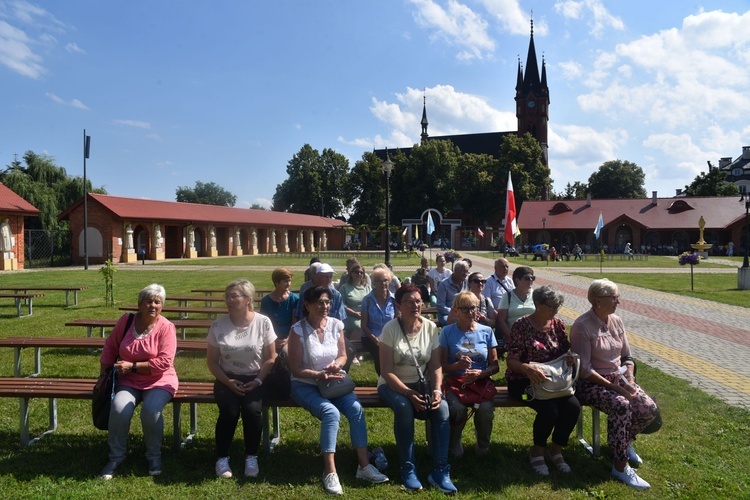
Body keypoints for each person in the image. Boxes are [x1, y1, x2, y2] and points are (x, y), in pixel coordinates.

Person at [288, 286, 389, 495]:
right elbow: (296, 368)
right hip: (305, 384)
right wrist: (317, 375)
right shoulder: (297, 330)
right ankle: (330, 471)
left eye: (327, 302)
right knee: (330, 413)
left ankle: (363, 466)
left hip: (334, 382)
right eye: (320, 303)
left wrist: (337, 365)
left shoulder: (336, 325)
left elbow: (343, 355)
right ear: (307, 305)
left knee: (355, 409)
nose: (325, 306)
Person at [570, 279, 658, 490]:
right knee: (621, 405)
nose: (618, 301)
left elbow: (627, 356)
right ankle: (620, 466)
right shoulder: (582, 326)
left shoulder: (617, 321)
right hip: (591, 384)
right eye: (614, 297)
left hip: (619, 379)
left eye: (617, 297)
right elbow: (584, 370)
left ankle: (622, 442)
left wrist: (630, 379)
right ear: (598, 301)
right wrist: (616, 388)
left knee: (648, 408)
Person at [377, 285, 457, 493]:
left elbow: (436, 365)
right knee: (404, 407)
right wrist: (408, 393)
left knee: (443, 409)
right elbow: (386, 371)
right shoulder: (390, 329)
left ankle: (440, 470)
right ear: (398, 306)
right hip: (392, 385)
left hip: (423, 383)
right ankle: (408, 467)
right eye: (410, 301)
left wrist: (438, 390)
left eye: (419, 301)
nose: (416, 305)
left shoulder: (430, 327)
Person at [97, 284, 178, 480]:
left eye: (157, 302)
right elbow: (110, 347)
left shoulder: (166, 327)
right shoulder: (127, 321)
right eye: (148, 301)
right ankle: (116, 457)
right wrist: (102, 375)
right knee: (118, 409)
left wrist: (132, 366)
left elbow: (164, 362)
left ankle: (154, 456)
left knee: (150, 412)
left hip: (159, 380)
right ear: (139, 304)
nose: (153, 305)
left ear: (162, 306)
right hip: (129, 380)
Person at [505, 285, 580, 476]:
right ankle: (537, 451)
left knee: (573, 408)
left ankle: (556, 449)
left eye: (557, 307)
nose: (555, 311)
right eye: (552, 306)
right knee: (549, 410)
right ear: (537, 304)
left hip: (554, 381)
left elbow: (565, 351)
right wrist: (526, 368)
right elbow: (511, 360)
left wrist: (569, 357)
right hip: (523, 381)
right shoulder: (521, 326)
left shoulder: (558, 325)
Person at [208, 279, 277, 479]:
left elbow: (271, 358)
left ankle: (251, 456)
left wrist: (258, 381)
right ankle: (221, 458)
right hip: (226, 378)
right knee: (229, 411)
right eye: (227, 296)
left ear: (248, 300)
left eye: (234, 296)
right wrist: (227, 382)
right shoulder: (218, 325)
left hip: (256, 376)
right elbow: (212, 362)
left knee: (252, 410)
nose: (229, 300)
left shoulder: (263, 322)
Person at [439, 291, 498, 458]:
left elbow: (495, 366)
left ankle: (483, 443)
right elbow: (441, 366)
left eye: (473, 308)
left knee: (485, 409)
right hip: (455, 382)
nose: (470, 312)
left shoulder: (486, 331)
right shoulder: (447, 332)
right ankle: (455, 441)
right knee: (457, 408)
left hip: (480, 383)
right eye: (464, 309)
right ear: (456, 311)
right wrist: (456, 365)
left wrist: (481, 373)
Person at [360, 266, 397, 376]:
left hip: (390, 336)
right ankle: (384, 380)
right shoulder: (367, 300)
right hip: (370, 337)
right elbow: (364, 325)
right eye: (379, 281)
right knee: (380, 352)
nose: (383, 283)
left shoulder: (394, 300)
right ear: (374, 282)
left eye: (385, 280)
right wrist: (376, 340)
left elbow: (397, 321)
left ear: (389, 281)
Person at [339, 263, 371, 370]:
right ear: (351, 273)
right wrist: (354, 313)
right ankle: (354, 352)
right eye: (356, 272)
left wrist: (365, 314)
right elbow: (341, 304)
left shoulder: (367, 288)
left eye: (361, 272)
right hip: (350, 315)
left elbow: (372, 302)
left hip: (365, 315)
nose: (359, 274)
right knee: (358, 326)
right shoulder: (345, 288)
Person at [260, 267, 299, 356]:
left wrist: (287, 339)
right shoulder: (266, 301)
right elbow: (263, 324)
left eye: (289, 281)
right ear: (276, 282)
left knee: (286, 354)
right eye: (285, 281)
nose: (288, 284)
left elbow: (295, 324)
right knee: (268, 355)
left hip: (289, 338)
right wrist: (273, 339)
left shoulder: (294, 299)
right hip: (270, 338)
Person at [496, 266, 536, 348]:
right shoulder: (507, 296)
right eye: (527, 278)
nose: (531, 280)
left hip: (534, 335)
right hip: (514, 335)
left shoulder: (536, 295)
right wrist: (512, 336)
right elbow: (501, 320)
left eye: (532, 278)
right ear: (517, 280)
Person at [436, 260, 469, 326]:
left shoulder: (467, 282)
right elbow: (440, 305)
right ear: (455, 270)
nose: (465, 274)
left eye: (467, 272)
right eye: (463, 271)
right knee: (450, 322)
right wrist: (455, 312)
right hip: (446, 314)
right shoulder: (444, 284)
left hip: (464, 313)